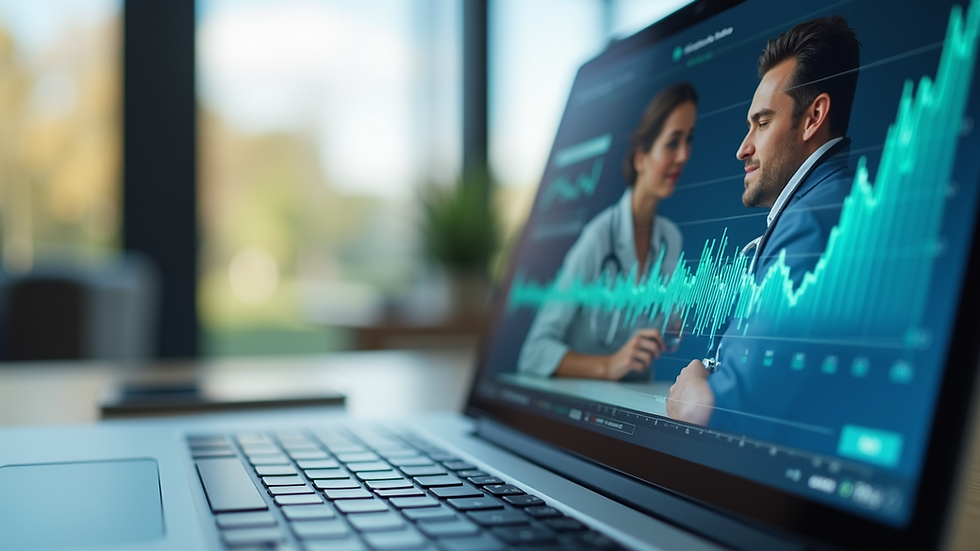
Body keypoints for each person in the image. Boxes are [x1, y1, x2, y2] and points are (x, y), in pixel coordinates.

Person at [666, 16, 861, 432]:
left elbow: (723, 412)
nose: (743, 149)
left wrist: (691, 388)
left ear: (813, 118)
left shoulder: (810, 224)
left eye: (763, 122)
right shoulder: (825, 208)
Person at [518, 82, 697, 381]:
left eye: (688, 141)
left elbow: (660, 327)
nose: (683, 156)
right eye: (672, 143)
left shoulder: (670, 238)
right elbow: (533, 353)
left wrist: (670, 328)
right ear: (641, 158)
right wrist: (608, 366)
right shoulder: (597, 238)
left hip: (633, 404)